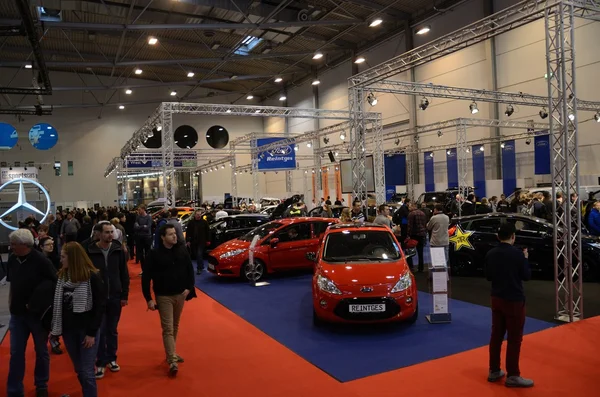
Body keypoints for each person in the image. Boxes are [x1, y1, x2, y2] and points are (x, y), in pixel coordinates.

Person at [6, 229, 58, 397]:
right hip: (17, 314)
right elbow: (12, 283)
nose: (11, 247)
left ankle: (41, 384)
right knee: (15, 353)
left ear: (24, 245)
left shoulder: (41, 261)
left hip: (37, 315)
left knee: (41, 351)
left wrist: (39, 302)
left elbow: (54, 282)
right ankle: (14, 390)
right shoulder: (13, 259)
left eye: (14, 244)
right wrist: (10, 301)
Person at [51, 242, 106, 397]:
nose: (60, 260)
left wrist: (92, 333)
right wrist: (55, 329)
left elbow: (100, 306)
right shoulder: (62, 276)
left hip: (86, 330)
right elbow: (58, 306)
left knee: (87, 371)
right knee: (79, 369)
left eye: (63, 257)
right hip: (68, 330)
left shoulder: (92, 276)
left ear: (73, 258)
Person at [142, 224, 196, 376]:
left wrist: (189, 287)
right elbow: (146, 278)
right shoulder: (154, 254)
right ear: (162, 237)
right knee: (168, 328)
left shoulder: (182, 250)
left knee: (175, 326)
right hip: (163, 296)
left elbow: (189, 270)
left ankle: (171, 352)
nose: (175, 236)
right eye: (171, 234)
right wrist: (148, 299)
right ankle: (172, 359)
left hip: (180, 294)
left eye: (175, 234)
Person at [484, 223, 533, 388]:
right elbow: (526, 276)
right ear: (513, 236)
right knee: (514, 338)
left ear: (498, 236)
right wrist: (525, 259)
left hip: (496, 298)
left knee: (496, 335)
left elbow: (488, 276)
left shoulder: (490, 254)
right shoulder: (518, 255)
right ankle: (513, 375)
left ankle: (494, 370)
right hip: (514, 299)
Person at [86, 222, 130, 379]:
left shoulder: (118, 250)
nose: (110, 235)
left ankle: (112, 358)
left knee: (112, 330)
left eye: (112, 232)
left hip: (115, 296)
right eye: (107, 232)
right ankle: (100, 362)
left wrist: (125, 295)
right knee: (101, 331)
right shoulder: (90, 250)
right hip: (97, 299)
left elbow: (124, 273)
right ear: (98, 233)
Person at [186, 209, 210, 275]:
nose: (199, 216)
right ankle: (201, 265)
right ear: (195, 215)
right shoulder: (191, 222)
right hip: (193, 241)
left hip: (202, 241)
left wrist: (208, 240)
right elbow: (188, 232)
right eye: (197, 214)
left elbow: (208, 232)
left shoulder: (204, 222)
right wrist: (188, 241)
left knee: (199, 254)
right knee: (196, 255)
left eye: (200, 214)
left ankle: (199, 268)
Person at [407, 203, 427, 272]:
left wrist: (408, 235)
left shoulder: (411, 214)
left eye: (409, 206)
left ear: (413, 206)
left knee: (410, 252)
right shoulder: (422, 213)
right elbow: (424, 224)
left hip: (414, 235)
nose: (409, 208)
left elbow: (410, 226)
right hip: (422, 234)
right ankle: (421, 268)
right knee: (420, 252)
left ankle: (411, 267)